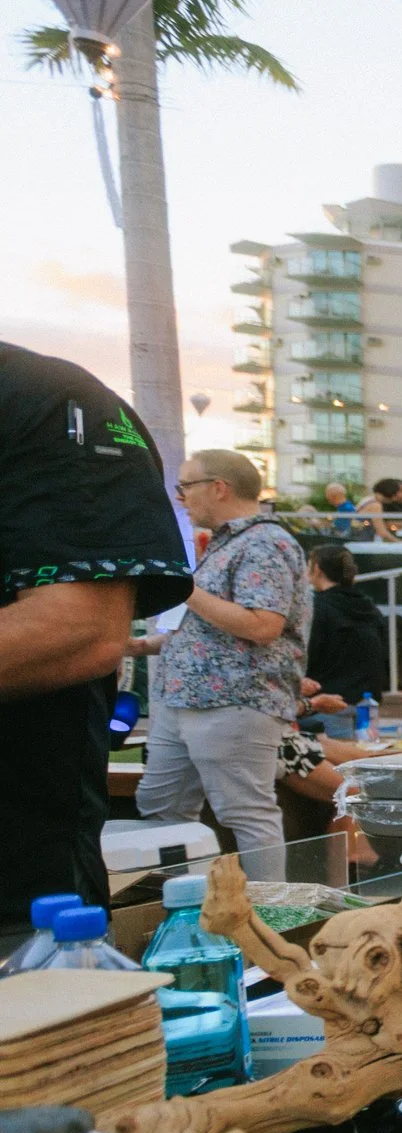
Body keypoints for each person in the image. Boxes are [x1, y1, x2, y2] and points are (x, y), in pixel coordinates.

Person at [0, 343, 192, 932]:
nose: (190, 495)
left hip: (19, 884)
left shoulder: (40, 393)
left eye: (199, 485)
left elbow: (78, 629)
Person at [130, 448, 308, 877]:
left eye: (185, 487)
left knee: (246, 814)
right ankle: (184, 909)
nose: (181, 498)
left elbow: (263, 625)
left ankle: (270, 920)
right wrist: (142, 646)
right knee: (162, 808)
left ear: (219, 488)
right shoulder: (233, 544)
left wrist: (184, 589)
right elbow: (208, 631)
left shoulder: (266, 542)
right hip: (187, 700)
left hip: (234, 701)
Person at [303, 543, 387, 736]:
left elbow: (308, 653)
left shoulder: (317, 609)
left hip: (327, 702)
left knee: (332, 763)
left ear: (316, 569)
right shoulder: (368, 607)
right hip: (366, 702)